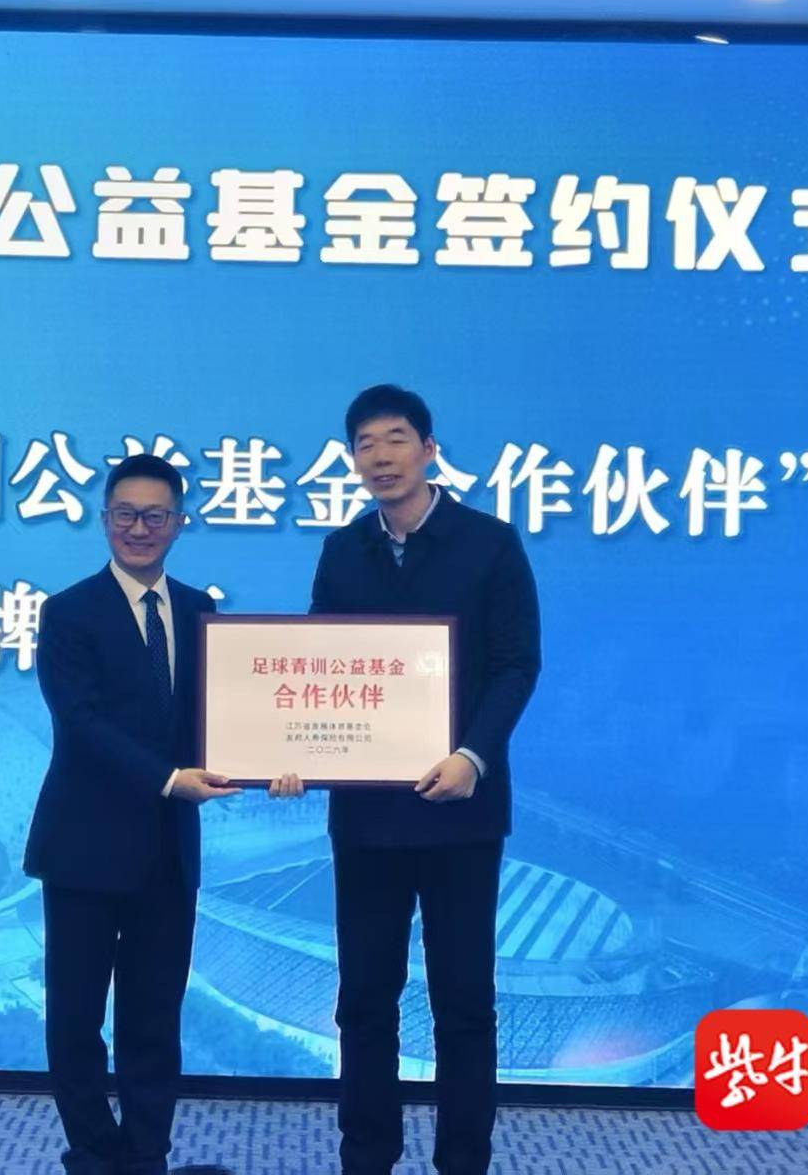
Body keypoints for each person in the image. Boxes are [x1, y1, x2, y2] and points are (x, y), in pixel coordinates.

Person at [273, 385, 542, 1175]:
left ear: (428, 449)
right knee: (363, 999)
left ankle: (462, 1162)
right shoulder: (342, 550)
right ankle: (366, 1158)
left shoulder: (489, 544)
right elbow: (318, 667)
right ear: (351, 459)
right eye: (364, 444)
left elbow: (516, 665)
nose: (380, 457)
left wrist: (472, 756)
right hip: (366, 814)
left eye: (395, 439)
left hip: (461, 807)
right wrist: (289, 751)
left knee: (463, 1003)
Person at [24, 453, 239, 1175]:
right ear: (104, 519)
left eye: (155, 515)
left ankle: (146, 1156)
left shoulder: (201, 610)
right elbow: (81, 723)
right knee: (76, 1017)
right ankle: (95, 1151)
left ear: (179, 522)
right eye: (125, 514)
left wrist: (271, 760)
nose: (139, 528)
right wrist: (169, 778)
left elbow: (219, 719)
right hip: (82, 847)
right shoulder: (68, 612)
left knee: (153, 1017)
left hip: (166, 852)